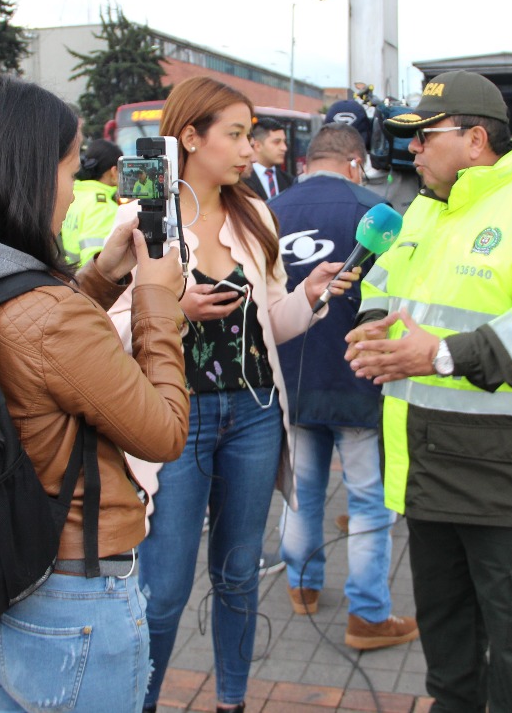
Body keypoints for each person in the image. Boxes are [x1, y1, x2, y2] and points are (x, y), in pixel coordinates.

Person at [0, 74, 190, 713]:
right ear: (31, 174)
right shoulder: (46, 310)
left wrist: (105, 275)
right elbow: (162, 433)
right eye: (73, 168)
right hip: (68, 604)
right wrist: (158, 297)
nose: (76, 189)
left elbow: (25, 349)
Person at [345, 70, 512, 713]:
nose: (415, 151)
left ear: (476, 139)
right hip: (430, 480)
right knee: (449, 662)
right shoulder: (422, 213)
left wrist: (439, 353)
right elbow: (382, 293)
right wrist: (373, 334)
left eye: (427, 136)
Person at [106, 76, 353, 713]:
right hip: (174, 418)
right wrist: (171, 307)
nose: (250, 149)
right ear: (190, 136)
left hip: (254, 412)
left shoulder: (255, 214)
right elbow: (102, 326)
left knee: (239, 573)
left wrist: (310, 296)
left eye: (250, 134)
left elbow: (273, 321)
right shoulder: (142, 216)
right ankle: (143, 701)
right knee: (162, 589)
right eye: (235, 134)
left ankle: (233, 701)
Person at [267, 122, 418, 650]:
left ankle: (302, 586)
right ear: (357, 163)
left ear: (310, 160)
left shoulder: (270, 210)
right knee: (368, 499)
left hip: (290, 376)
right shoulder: (376, 214)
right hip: (359, 373)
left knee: (301, 491)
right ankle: (369, 614)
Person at [61, 138, 122, 267]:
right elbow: (96, 260)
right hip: (89, 282)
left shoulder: (75, 195)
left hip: (72, 276)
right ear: (114, 171)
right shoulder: (101, 207)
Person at [241, 117, 293, 200]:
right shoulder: (241, 180)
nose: (284, 148)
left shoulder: (290, 181)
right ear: (257, 146)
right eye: (277, 142)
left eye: (284, 142)